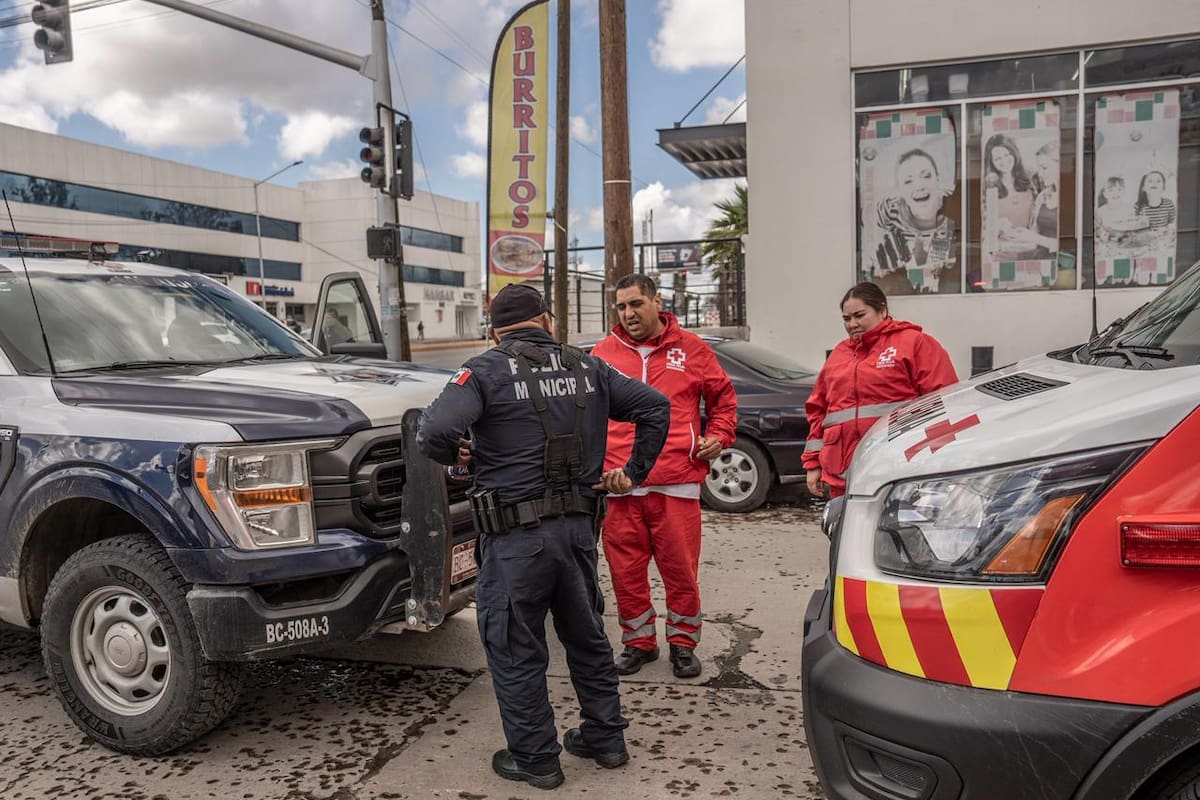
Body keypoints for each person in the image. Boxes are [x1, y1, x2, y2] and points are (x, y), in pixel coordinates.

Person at [417, 283, 669, 791]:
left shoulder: (485, 369)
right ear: (548, 321)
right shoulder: (590, 367)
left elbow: (433, 431)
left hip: (514, 540)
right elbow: (656, 407)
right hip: (577, 534)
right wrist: (632, 472)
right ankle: (605, 739)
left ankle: (535, 758)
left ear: (495, 330)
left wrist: (459, 454)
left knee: (515, 645)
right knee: (587, 637)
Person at [591, 274, 738, 680]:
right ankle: (638, 642)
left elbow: (723, 399)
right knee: (625, 570)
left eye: (636, 303)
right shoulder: (603, 354)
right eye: (621, 306)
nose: (628, 313)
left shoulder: (692, 349)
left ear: (657, 302)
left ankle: (683, 644)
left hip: (677, 480)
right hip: (620, 484)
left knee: (680, 571)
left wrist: (718, 435)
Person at [804, 282, 958, 499]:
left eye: (859, 315)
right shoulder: (839, 354)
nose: (852, 324)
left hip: (899, 471)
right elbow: (818, 410)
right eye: (846, 319)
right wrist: (813, 463)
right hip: (842, 477)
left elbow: (944, 401)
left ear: (882, 310)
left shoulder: (915, 343)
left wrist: (941, 461)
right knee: (847, 532)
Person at [872, 149, 956, 293]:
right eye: (908, 181)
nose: (919, 186)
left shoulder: (952, 207)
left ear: (938, 178)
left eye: (926, 176)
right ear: (899, 190)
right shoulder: (889, 209)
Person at [982, 133, 1037, 259]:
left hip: (1032, 254)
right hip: (1003, 255)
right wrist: (998, 225)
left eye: (1007, 154)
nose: (1004, 161)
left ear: (1014, 153)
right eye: (998, 158)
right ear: (992, 162)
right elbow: (987, 233)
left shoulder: (1030, 182)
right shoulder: (990, 189)